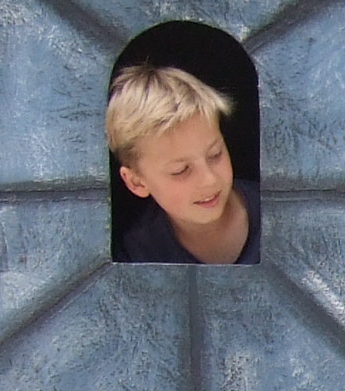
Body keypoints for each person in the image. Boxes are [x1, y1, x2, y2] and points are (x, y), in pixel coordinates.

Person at [110, 62, 256, 267]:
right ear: (137, 182)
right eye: (181, 170)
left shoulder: (277, 210)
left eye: (215, 155)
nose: (209, 179)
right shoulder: (136, 253)